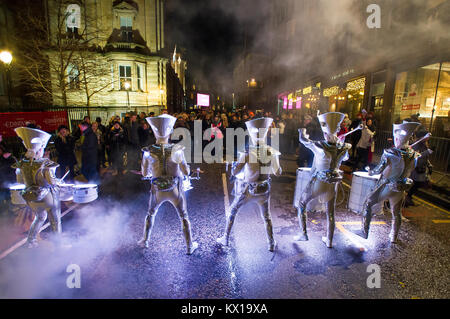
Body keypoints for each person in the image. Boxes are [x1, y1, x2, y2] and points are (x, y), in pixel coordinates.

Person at [217, 117, 282, 252]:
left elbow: (235, 172)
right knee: (267, 217)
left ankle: (225, 238)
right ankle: (271, 243)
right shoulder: (272, 151)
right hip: (264, 190)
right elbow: (278, 172)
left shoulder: (247, 153)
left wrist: (235, 165)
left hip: (248, 190)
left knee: (233, 211)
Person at [361, 121, 431, 243]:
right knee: (396, 212)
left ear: (397, 138)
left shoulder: (389, 153)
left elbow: (378, 170)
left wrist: (369, 171)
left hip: (386, 185)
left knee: (368, 203)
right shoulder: (413, 155)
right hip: (400, 187)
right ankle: (393, 236)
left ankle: (365, 231)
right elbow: (412, 168)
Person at [138, 114, 199, 255]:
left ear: (154, 132)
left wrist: (153, 171)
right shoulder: (177, 149)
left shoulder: (148, 151)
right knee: (184, 216)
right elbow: (186, 171)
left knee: (150, 214)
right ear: (170, 132)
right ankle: (190, 246)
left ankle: (145, 240)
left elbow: (144, 173)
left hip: (157, 189)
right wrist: (187, 168)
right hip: (175, 189)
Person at [295, 112, 351, 248]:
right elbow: (347, 158)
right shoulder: (344, 147)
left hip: (318, 183)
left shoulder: (319, 146)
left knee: (302, 204)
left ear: (325, 133)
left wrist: (302, 131)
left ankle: (303, 233)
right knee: (330, 213)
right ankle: (330, 240)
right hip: (332, 186)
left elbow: (303, 140)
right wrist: (340, 143)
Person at [12, 127, 62, 247]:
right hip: (47, 197)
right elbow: (52, 182)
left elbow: (20, 181)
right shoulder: (45, 163)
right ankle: (58, 245)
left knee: (39, 217)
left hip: (30, 197)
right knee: (55, 220)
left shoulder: (21, 164)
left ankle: (31, 241)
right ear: (40, 149)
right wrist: (58, 181)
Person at [405, 130, 433, 207]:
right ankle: (405, 197)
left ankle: (408, 197)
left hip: (421, 167)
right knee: (412, 183)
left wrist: (429, 165)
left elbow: (426, 158)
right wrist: (428, 152)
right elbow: (416, 155)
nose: (428, 139)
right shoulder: (416, 144)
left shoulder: (424, 144)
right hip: (414, 167)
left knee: (418, 183)